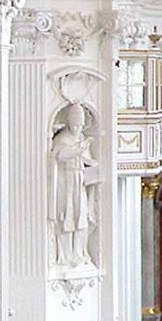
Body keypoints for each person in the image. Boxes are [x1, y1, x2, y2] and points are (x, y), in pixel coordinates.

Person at [50, 103, 101, 267]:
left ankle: (79, 253)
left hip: (79, 180)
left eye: (81, 122)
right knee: (67, 217)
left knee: (82, 218)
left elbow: (87, 159)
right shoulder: (63, 138)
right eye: (76, 121)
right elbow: (61, 155)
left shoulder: (80, 139)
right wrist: (80, 148)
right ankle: (65, 256)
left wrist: (97, 167)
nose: (78, 126)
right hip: (66, 182)